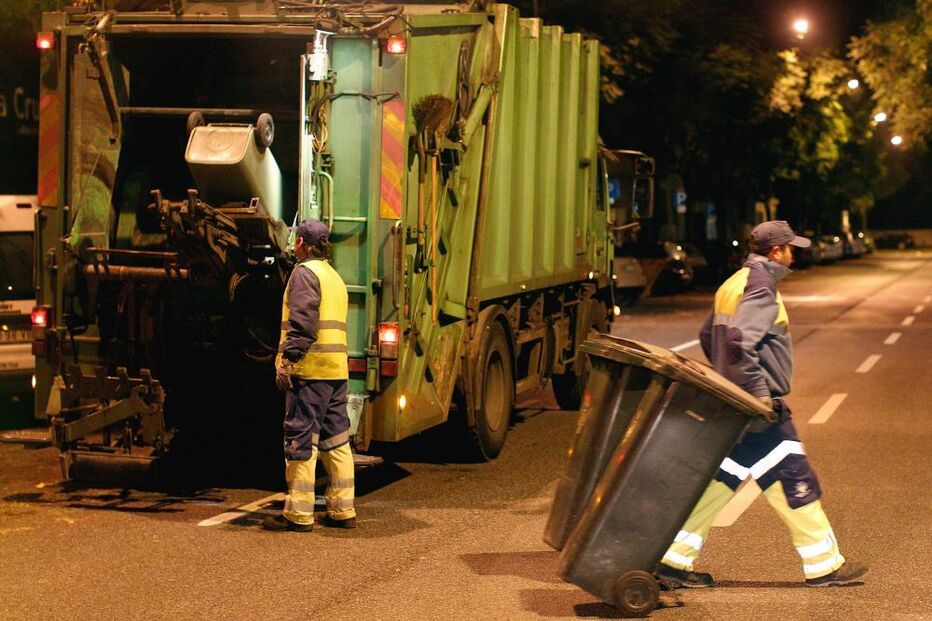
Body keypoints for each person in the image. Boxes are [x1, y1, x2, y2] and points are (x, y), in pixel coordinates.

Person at [656, 221, 868, 588]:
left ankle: (673, 560)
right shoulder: (760, 288)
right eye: (790, 248)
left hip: (734, 402)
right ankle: (824, 566)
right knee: (793, 477)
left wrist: (726, 378)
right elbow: (739, 341)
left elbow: (710, 335)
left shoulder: (733, 283)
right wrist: (757, 394)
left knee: (722, 478)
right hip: (758, 406)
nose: (794, 254)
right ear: (775, 252)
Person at [262, 218, 357, 532]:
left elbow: (303, 323)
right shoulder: (333, 276)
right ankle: (343, 510)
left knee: (300, 439)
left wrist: (289, 362)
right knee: (337, 442)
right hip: (336, 373)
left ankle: (299, 514)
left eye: (296, 240)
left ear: (302, 243)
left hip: (311, 372)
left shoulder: (304, 274)